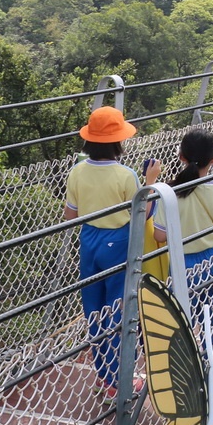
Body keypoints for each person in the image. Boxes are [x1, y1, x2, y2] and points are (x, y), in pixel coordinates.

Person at [65, 106, 160, 399]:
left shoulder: (77, 171)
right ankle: (119, 382)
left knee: (94, 310)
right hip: (118, 243)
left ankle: (104, 375)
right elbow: (141, 213)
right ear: (118, 141)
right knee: (117, 312)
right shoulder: (126, 175)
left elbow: (70, 215)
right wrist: (151, 183)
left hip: (89, 240)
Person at [155, 128, 213, 347]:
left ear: (181, 157)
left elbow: (160, 235)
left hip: (181, 263)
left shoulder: (169, 192)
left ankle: (183, 367)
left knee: (180, 319)